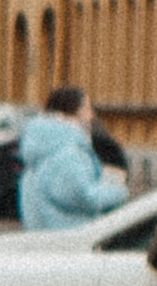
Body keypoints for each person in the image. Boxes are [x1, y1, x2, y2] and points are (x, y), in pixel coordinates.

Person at [16, 83, 129, 232]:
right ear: (71, 112)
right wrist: (118, 190)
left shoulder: (40, 150)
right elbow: (83, 196)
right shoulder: (68, 154)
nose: (91, 116)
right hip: (70, 238)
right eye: (87, 109)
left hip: (43, 236)